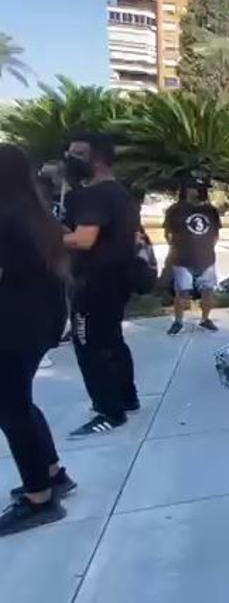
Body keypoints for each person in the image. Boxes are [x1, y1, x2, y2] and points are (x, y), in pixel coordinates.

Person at [0, 145, 73, 536]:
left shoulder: (6, 218)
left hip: (13, 328)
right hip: (38, 323)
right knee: (19, 404)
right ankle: (51, 472)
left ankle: (39, 498)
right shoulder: (35, 215)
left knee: (12, 411)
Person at [61, 133, 140, 437]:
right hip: (116, 280)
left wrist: (44, 235)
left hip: (93, 284)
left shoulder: (94, 195)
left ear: (96, 157)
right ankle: (126, 397)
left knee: (89, 346)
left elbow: (83, 239)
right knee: (113, 340)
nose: (70, 158)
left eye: (77, 153)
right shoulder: (121, 192)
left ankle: (109, 410)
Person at [164, 183, 222, 334]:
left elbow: (216, 234)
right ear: (186, 190)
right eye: (193, 187)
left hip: (207, 259)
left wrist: (206, 249)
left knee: (207, 291)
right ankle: (178, 321)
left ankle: (205, 319)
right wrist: (178, 249)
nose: (196, 191)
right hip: (182, 259)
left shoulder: (210, 211)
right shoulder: (175, 210)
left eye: (199, 188)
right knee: (182, 292)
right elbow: (168, 234)